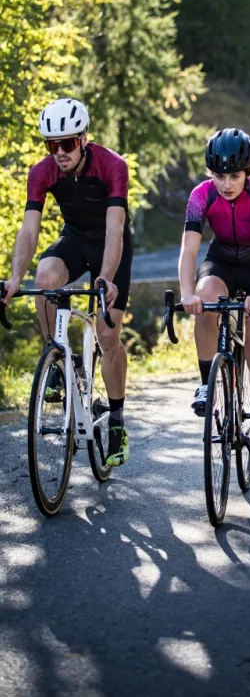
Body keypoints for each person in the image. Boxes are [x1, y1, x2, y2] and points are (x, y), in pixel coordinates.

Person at [2, 98, 133, 467]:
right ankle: (60, 360)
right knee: (44, 281)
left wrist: (105, 278)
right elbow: (30, 230)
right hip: (74, 238)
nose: (59, 152)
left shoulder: (112, 165)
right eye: (51, 144)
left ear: (84, 139)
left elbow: (115, 228)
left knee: (108, 335)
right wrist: (15, 279)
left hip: (111, 245)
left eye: (67, 144)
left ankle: (118, 420)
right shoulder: (41, 172)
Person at [179, 128, 250, 471]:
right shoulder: (201, 195)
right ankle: (205, 383)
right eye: (220, 176)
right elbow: (189, 249)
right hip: (222, 261)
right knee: (206, 298)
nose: (227, 184)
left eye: (235, 176)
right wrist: (186, 293)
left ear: (248, 171)